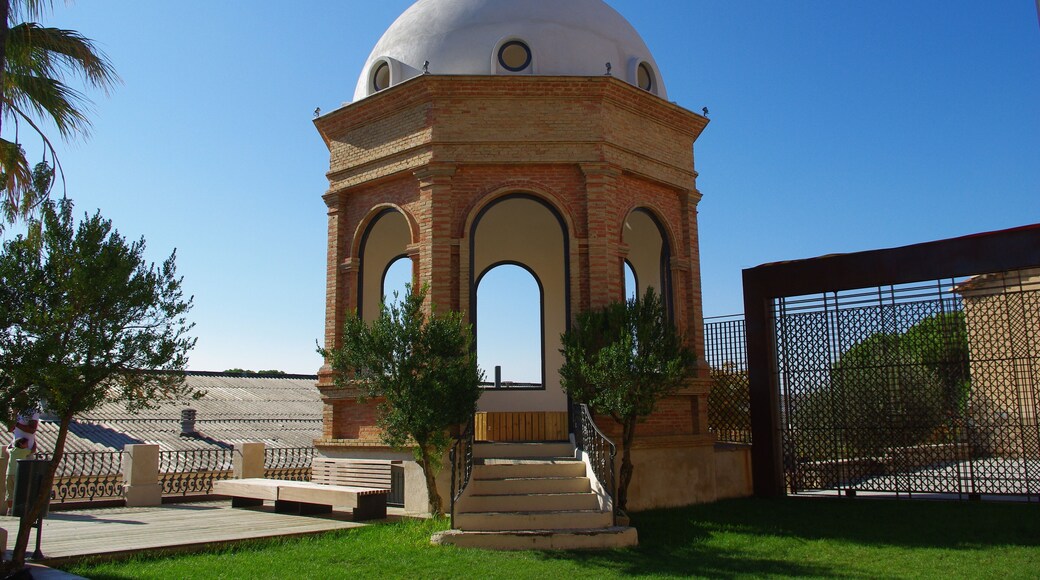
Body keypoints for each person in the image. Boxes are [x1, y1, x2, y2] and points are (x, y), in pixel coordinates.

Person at [5, 437, 32, 514]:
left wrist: (11, 443)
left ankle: (9, 510)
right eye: (26, 443)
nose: (27, 445)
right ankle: (20, 509)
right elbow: (33, 450)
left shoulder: (12, 451)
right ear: (21, 444)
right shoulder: (24, 451)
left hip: (9, 473)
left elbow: (7, 448)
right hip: (18, 473)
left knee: (9, 492)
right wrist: (34, 443)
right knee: (20, 491)